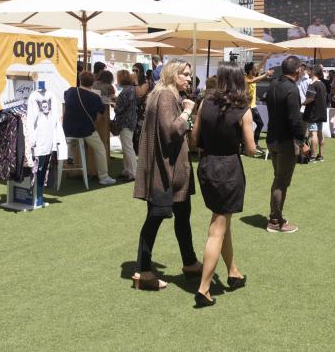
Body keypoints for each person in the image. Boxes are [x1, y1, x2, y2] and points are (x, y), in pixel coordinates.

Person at [131, 59, 200, 290]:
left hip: (169, 171)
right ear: (173, 74)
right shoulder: (167, 96)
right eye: (186, 74)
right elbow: (171, 131)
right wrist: (188, 111)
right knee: (155, 219)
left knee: (182, 217)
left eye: (189, 75)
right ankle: (142, 271)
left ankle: (190, 263)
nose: (189, 78)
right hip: (165, 172)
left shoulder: (163, 94)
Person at [192, 64, 256, 307]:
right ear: (239, 81)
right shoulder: (243, 110)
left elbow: (194, 139)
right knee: (217, 227)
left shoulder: (205, 104)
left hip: (207, 166)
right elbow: (250, 148)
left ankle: (233, 272)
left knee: (222, 220)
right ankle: (205, 288)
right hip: (228, 168)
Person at [265, 56, 309, 233]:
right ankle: (275, 221)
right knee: (281, 182)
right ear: (297, 70)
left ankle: (276, 216)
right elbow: (295, 120)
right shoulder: (291, 89)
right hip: (284, 142)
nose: (303, 72)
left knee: (278, 179)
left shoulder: (274, 84)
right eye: (302, 69)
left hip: (272, 139)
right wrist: (302, 141)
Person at [62, 71, 116, 185]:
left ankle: (72, 166)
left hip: (67, 130)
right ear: (92, 83)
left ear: (80, 80)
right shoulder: (94, 97)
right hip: (85, 131)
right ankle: (104, 176)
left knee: (75, 146)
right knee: (100, 149)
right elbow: (101, 113)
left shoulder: (70, 91)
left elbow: (66, 99)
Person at [114, 69, 148, 180]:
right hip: (130, 120)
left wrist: (115, 105)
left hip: (125, 122)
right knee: (127, 147)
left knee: (128, 147)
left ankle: (132, 172)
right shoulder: (131, 89)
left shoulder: (126, 91)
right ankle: (127, 170)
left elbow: (120, 108)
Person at [244, 60, 272, 155]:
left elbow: (259, 66)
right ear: (250, 70)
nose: (256, 69)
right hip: (247, 107)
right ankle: (248, 145)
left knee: (259, 124)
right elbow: (252, 81)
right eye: (254, 68)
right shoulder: (246, 78)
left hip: (252, 106)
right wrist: (265, 75)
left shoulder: (253, 75)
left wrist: (266, 57)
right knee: (251, 125)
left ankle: (253, 144)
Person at [303, 66, 327, 162]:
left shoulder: (312, 84)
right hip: (321, 113)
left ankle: (312, 156)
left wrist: (301, 103)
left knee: (314, 134)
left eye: (309, 70)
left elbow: (310, 98)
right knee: (320, 134)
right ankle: (320, 155)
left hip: (313, 113)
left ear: (313, 72)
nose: (308, 72)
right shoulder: (322, 84)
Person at [131, 63, 148, 154]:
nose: (134, 72)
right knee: (132, 130)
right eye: (133, 70)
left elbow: (139, 94)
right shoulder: (131, 81)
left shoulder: (145, 82)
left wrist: (136, 82)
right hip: (132, 109)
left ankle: (139, 150)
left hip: (141, 110)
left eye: (136, 70)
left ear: (141, 71)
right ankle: (134, 149)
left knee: (139, 130)